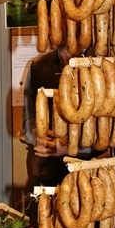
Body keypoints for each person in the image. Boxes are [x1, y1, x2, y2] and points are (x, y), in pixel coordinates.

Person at [22, 42, 92, 187]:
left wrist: (71, 147)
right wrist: (38, 138)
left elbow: (111, 136)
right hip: (47, 173)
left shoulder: (100, 62)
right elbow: (29, 115)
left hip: (89, 173)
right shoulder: (37, 66)